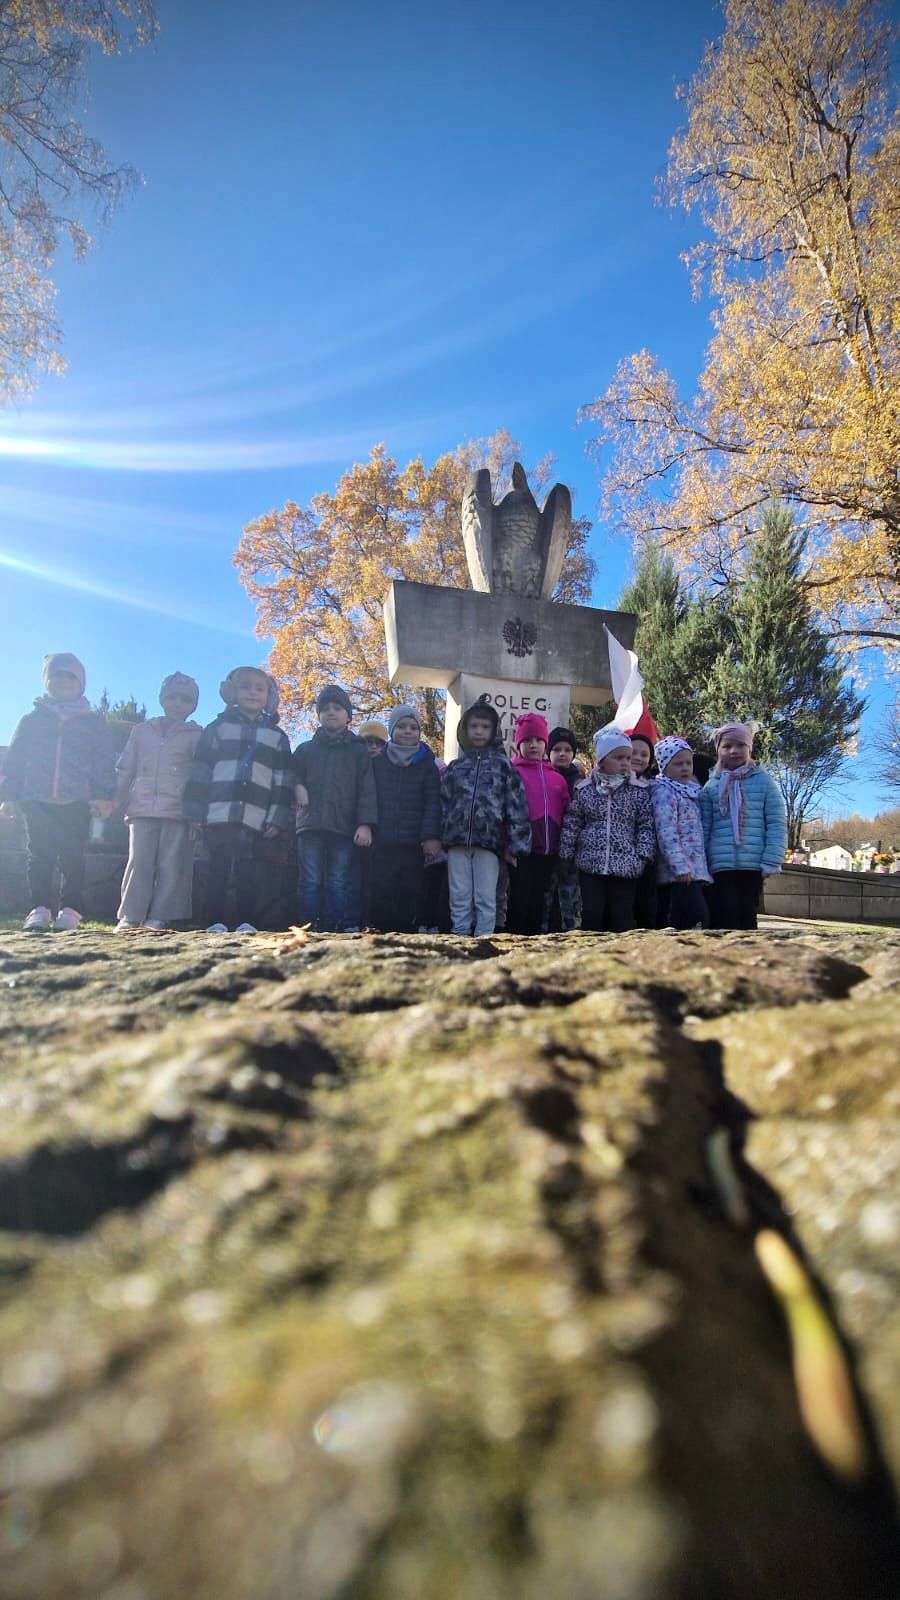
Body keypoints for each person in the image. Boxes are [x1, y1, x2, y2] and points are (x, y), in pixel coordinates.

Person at [0, 652, 115, 931]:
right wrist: (8, 796)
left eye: (70, 676)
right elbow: (15, 760)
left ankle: (71, 910)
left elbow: (103, 761)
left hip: (77, 800)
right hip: (36, 799)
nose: (63, 681)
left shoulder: (93, 723)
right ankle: (39, 908)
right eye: (56, 675)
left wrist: (104, 795)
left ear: (81, 683)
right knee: (39, 855)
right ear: (46, 681)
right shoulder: (31, 720)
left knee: (72, 856)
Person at [183, 666, 292, 934]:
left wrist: (277, 817)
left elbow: (283, 781)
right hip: (219, 812)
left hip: (257, 815)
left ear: (269, 696)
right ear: (232, 692)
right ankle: (214, 920)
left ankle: (247, 921)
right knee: (217, 867)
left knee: (250, 871)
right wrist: (195, 810)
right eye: (245, 687)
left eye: (259, 688)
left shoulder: (277, 737)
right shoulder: (217, 729)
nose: (252, 693)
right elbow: (201, 771)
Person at [114, 672, 202, 931]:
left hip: (178, 810)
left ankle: (161, 915)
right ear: (162, 699)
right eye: (172, 697)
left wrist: (197, 813)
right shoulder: (141, 731)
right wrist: (115, 799)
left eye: (186, 699)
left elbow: (201, 776)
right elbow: (125, 767)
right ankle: (131, 914)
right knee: (138, 861)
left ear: (194, 705)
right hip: (141, 808)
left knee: (172, 864)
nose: (178, 703)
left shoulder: (197, 734)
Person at [441, 701, 531, 936]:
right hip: (456, 842)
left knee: (486, 897)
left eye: (485, 727)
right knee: (459, 896)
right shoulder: (455, 767)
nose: (479, 731)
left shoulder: (504, 766)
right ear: (465, 729)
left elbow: (516, 806)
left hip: (489, 843)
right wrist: (438, 836)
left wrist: (516, 844)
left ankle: (484, 940)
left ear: (494, 731)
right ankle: (460, 938)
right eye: (473, 726)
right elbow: (443, 803)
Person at [292, 684, 377, 932]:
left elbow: (367, 790)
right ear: (318, 715)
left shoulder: (358, 751)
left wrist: (365, 824)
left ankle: (335, 926)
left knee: (338, 879)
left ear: (348, 716)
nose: (331, 712)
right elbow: (290, 774)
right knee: (310, 879)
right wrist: (297, 786)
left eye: (338, 708)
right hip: (309, 825)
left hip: (343, 827)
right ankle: (307, 926)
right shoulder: (305, 749)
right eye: (326, 708)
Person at [558, 726, 656, 933]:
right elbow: (573, 822)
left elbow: (646, 825)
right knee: (592, 913)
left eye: (628, 758)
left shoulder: (638, 791)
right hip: (591, 865)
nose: (625, 762)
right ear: (602, 760)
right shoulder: (585, 790)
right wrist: (566, 853)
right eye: (619, 757)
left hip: (626, 866)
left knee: (621, 916)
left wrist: (643, 856)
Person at [700, 721, 787, 930]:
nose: (734, 751)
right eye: (727, 746)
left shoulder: (764, 782)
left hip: (753, 864)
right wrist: (701, 863)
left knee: (746, 915)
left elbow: (776, 822)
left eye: (740, 745)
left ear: (749, 748)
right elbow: (703, 828)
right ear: (718, 750)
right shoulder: (711, 786)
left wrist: (772, 859)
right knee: (722, 916)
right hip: (720, 864)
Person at [368, 704, 441, 932]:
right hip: (382, 840)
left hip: (413, 843)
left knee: (410, 891)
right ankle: (381, 933)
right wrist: (368, 826)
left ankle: (406, 934)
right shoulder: (377, 763)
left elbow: (432, 802)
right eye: (401, 726)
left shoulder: (428, 765)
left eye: (413, 727)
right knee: (382, 888)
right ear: (392, 730)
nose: (407, 731)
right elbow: (369, 797)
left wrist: (430, 836)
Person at [508, 712, 570, 934]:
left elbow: (567, 811)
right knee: (519, 898)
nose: (533, 745)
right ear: (518, 744)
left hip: (549, 850)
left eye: (538, 740)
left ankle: (534, 941)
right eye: (527, 740)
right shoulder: (512, 772)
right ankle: (514, 940)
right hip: (522, 851)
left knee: (540, 900)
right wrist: (506, 845)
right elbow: (504, 811)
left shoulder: (557, 777)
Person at [650, 736, 711, 929]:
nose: (685, 768)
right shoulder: (664, 792)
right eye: (678, 764)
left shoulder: (691, 791)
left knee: (697, 919)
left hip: (693, 870)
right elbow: (666, 831)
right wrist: (679, 866)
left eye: (688, 763)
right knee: (691, 918)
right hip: (677, 874)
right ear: (664, 766)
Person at [546, 727, 583, 931]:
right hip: (548, 846)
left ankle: (572, 932)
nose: (562, 754)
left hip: (573, 850)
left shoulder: (580, 782)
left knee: (571, 896)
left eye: (568, 750)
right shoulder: (545, 776)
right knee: (546, 896)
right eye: (557, 749)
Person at [627, 732, 658, 928]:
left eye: (644, 754)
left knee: (646, 906)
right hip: (621, 856)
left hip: (648, 857)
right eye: (633, 753)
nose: (638, 758)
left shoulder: (656, 786)